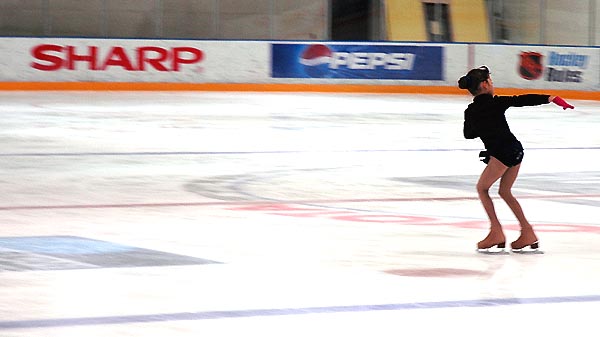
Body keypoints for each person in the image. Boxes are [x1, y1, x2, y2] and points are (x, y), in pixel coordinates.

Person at [458, 66, 574, 252]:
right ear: (485, 84)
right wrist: (550, 98)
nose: (492, 84)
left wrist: (483, 129)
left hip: (502, 153)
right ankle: (527, 232)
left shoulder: (471, 111)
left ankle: (496, 232)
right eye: (491, 81)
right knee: (505, 191)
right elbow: (521, 100)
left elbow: (468, 134)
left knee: (482, 188)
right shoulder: (497, 103)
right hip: (516, 150)